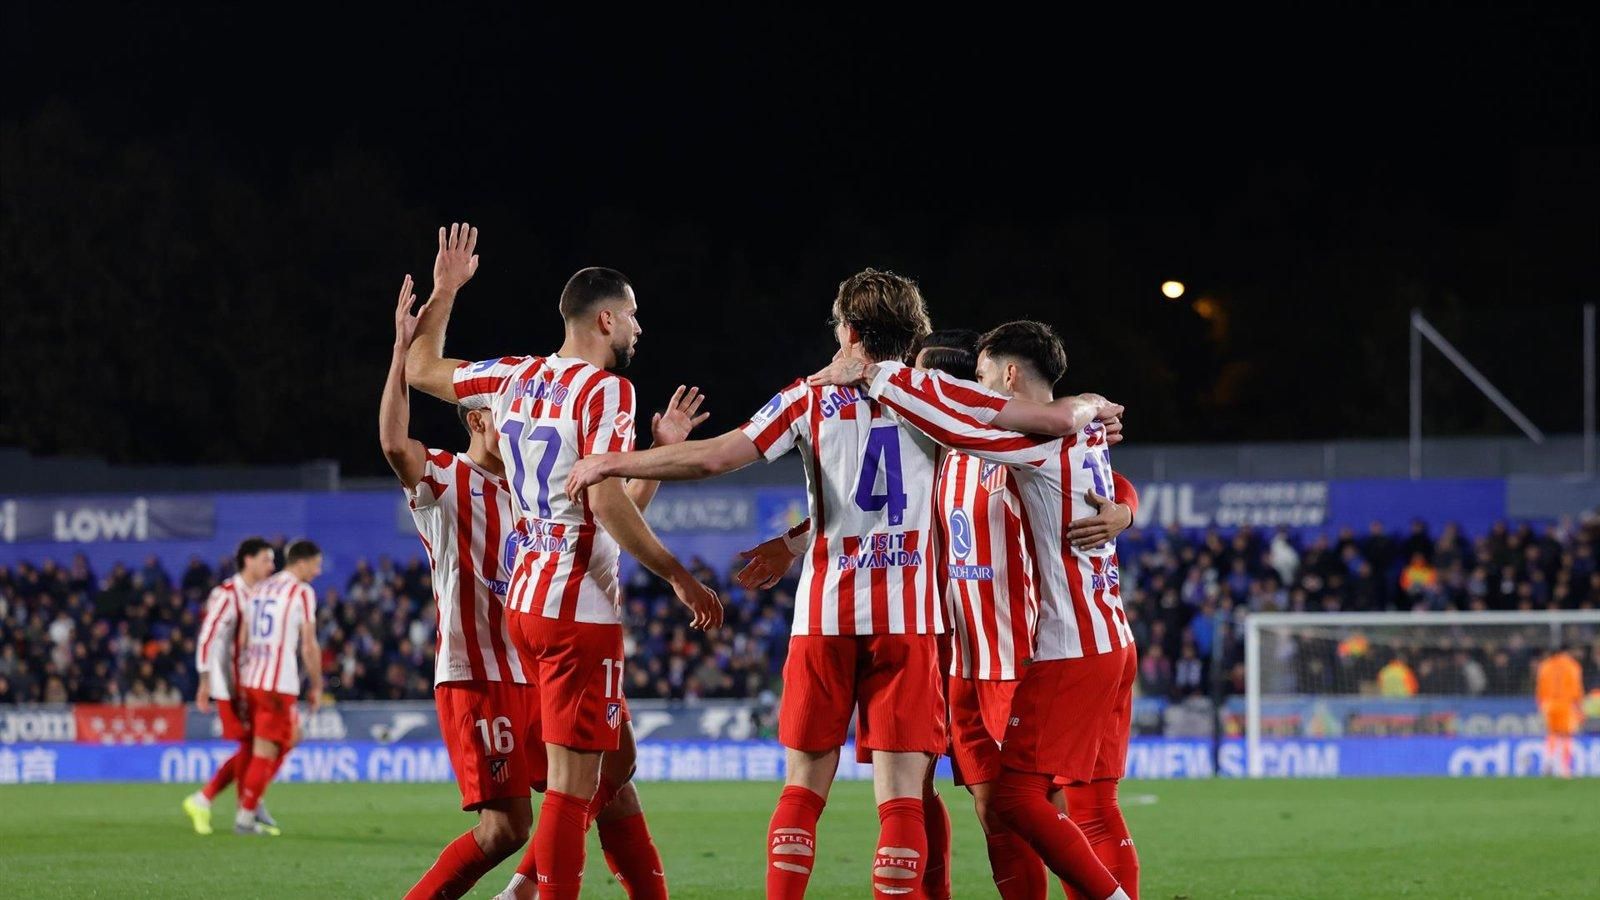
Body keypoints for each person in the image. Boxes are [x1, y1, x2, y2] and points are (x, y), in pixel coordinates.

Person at [567, 271, 1119, 899]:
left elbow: (717, 456)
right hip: (909, 620)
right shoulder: (935, 393)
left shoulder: (807, 396)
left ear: (850, 331)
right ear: (911, 333)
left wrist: (614, 460)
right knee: (903, 798)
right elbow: (1045, 421)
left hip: (824, 616)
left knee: (803, 789)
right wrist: (1092, 409)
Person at [403, 224, 721, 900]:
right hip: (578, 612)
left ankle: (551, 888)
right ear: (606, 319)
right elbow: (604, 502)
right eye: (632, 314)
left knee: (616, 769)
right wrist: (678, 575)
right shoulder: (607, 392)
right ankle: (529, 890)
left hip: (529, 604)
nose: (638, 327)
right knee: (575, 793)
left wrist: (445, 291)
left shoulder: (512, 376)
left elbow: (419, 367)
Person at [805, 319, 1137, 900]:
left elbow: (1092, 476)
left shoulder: (999, 443)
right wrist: (793, 540)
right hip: (961, 660)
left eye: (927, 381)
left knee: (1061, 803)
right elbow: (864, 508)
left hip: (1022, 655)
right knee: (994, 810)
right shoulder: (933, 457)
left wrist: (1123, 507)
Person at [181, 536, 277, 835]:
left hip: (253, 682)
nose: (271, 566)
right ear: (248, 560)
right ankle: (213, 800)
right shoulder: (227, 594)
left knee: (255, 743)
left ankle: (243, 809)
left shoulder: (263, 594)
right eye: (266, 560)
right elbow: (207, 636)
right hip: (229, 684)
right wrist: (204, 680)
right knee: (252, 743)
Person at [234, 539, 324, 835]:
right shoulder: (302, 592)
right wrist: (317, 684)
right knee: (265, 749)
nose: (318, 572)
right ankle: (246, 815)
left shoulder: (260, 588)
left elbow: (243, 637)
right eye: (316, 565)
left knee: (290, 737)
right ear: (302, 562)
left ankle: (252, 798)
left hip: (252, 679)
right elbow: (309, 646)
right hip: (277, 683)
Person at [1535, 645, 1585, 777]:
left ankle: (1549, 761)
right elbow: (1577, 688)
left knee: (1552, 734)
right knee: (1566, 736)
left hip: (1549, 705)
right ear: (1565, 652)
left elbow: (1540, 688)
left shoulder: (1545, 666)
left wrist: (1541, 705)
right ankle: (1564, 768)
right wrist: (1579, 707)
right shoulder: (1572, 665)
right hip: (1566, 705)